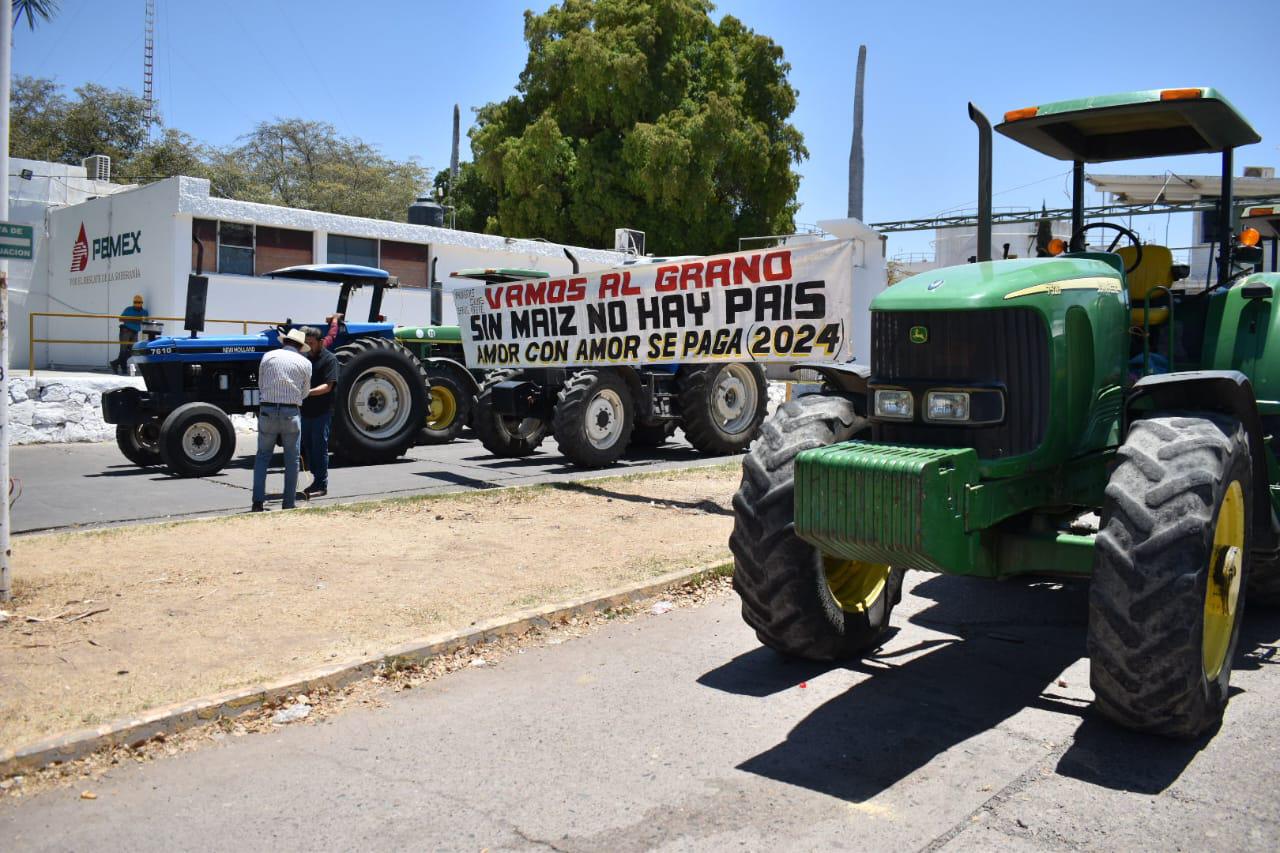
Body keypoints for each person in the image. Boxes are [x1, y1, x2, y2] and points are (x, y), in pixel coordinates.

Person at [251, 328, 312, 512]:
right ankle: (288, 503)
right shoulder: (305, 362)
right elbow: (305, 392)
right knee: (292, 460)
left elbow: (261, 385)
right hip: (291, 412)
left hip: (268, 410)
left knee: (262, 456)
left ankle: (257, 502)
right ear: (300, 346)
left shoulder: (268, 357)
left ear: (284, 341)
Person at [297, 325, 340, 500]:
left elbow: (328, 386)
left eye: (311, 343)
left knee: (319, 447)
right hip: (306, 411)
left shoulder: (330, 360)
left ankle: (321, 484)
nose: (308, 346)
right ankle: (316, 479)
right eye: (305, 343)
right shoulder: (305, 358)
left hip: (322, 411)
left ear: (321, 342)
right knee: (308, 446)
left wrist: (307, 393)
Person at [111, 294, 148, 374]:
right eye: (135, 302)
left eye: (138, 303)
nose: (137, 305)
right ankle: (124, 369)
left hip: (135, 332)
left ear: (142, 303)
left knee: (134, 351)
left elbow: (145, 322)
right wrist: (134, 320)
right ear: (133, 303)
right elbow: (120, 319)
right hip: (125, 330)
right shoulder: (128, 309)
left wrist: (140, 320)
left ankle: (115, 363)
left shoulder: (144, 312)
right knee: (123, 350)